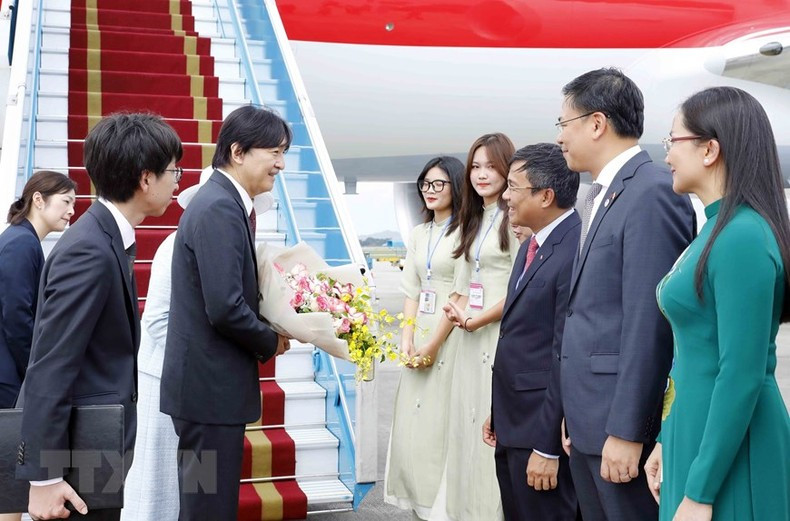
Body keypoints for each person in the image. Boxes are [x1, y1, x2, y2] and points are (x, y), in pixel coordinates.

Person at [15, 113, 183, 521]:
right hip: (76, 460)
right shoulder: (89, 249)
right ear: (145, 179)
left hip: (95, 447)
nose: (178, 181)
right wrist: (44, 477)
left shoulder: (105, 237)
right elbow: (50, 363)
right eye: (173, 171)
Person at [555, 68, 695, 521]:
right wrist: (574, 413)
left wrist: (629, 431)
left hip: (620, 430)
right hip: (589, 420)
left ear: (596, 124)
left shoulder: (651, 191)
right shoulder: (602, 194)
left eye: (564, 124)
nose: (560, 138)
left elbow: (648, 322)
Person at [645, 86, 790, 521]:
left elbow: (741, 373)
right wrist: (667, 439)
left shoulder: (742, 236)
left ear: (710, 149)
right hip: (698, 430)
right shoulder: (714, 229)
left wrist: (702, 491)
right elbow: (693, 348)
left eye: (674, 141)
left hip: (731, 445)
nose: (667, 154)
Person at [160, 105, 291, 521]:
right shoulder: (219, 207)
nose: (281, 164)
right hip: (208, 394)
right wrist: (272, 340)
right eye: (274, 152)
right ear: (238, 151)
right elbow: (226, 307)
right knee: (207, 508)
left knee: (205, 505)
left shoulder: (222, 202)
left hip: (206, 393)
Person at [121, 167, 275, 521]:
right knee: (163, 488)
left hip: (193, 382)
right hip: (174, 379)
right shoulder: (175, 245)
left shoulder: (234, 242)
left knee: (193, 492)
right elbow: (159, 322)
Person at [484, 143, 580, 520]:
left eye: (512, 187)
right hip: (514, 421)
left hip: (540, 432)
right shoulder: (535, 245)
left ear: (545, 195)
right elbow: (520, 337)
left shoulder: (573, 248)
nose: (504, 196)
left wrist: (547, 448)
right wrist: (499, 410)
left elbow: (562, 353)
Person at [436, 133, 518, 521]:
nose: (481, 174)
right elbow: (464, 285)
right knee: (464, 430)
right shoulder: (473, 218)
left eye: (490, 166)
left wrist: (474, 319)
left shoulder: (515, 218)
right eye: (475, 166)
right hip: (468, 337)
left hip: (497, 336)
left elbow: (520, 289)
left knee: (489, 431)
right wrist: (454, 315)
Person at [384, 156, 466, 519]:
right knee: (411, 426)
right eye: (425, 185)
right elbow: (412, 289)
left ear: (456, 187)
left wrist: (433, 344)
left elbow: (461, 293)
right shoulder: (419, 233)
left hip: (450, 333)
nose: (430, 191)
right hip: (419, 333)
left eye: (439, 184)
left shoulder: (467, 230)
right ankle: (418, 501)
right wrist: (406, 336)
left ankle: (443, 508)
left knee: (440, 424)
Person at [0, 171, 76, 409]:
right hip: (9, 377)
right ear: (38, 199)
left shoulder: (23, 239)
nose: (72, 211)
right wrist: (34, 371)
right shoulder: (22, 243)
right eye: (66, 201)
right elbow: (15, 316)